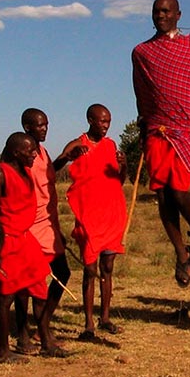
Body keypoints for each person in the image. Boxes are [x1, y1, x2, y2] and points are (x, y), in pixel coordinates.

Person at [132, 0, 190, 289]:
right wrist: (143, 125)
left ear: (179, 15)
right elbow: (141, 92)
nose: (161, 15)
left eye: (166, 11)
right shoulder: (142, 52)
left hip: (189, 130)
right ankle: (181, 254)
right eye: (156, 11)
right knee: (164, 195)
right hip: (158, 130)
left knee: (179, 191)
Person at [0, 132, 57, 362]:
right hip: (7, 241)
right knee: (7, 297)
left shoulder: (25, 171)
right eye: (29, 151)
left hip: (26, 240)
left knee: (39, 289)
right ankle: (3, 352)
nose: (34, 154)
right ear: (16, 152)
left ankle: (46, 342)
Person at [60, 104, 127, 340]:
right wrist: (68, 156)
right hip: (89, 215)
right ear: (90, 120)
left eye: (108, 121)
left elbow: (119, 180)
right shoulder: (78, 144)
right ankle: (88, 323)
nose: (106, 126)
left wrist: (125, 163)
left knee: (107, 268)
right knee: (90, 269)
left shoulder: (110, 146)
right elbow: (54, 167)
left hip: (112, 213)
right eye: (102, 121)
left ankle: (105, 318)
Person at [13, 108, 71, 354]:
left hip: (48, 222)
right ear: (27, 127)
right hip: (30, 225)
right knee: (28, 283)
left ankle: (42, 325)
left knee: (62, 272)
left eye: (46, 124)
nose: (45, 129)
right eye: (39, 125)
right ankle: (26, 335)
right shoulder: (24, 155)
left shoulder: (42, 152)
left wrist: (64, 158)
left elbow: (46, 179)